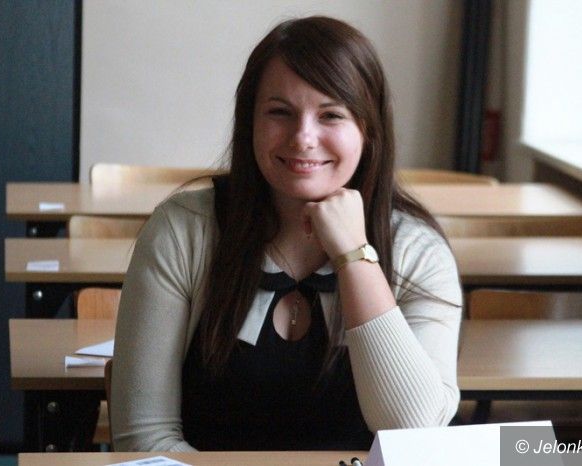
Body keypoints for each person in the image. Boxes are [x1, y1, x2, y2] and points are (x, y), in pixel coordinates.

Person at [111, 15, 462, 452]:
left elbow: (415, 434)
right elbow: (144, 438)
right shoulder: (183, 229)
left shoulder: (417, 250)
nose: (303, 138)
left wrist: (354, 255)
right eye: (280, 112)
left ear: (368, 130)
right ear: (250, 122)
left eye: (331, 115)